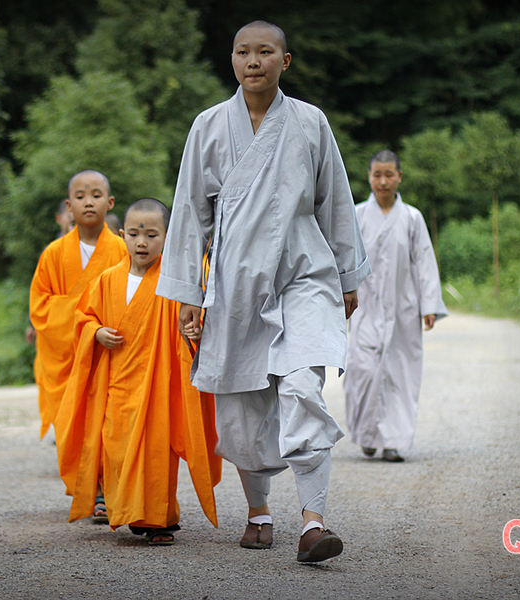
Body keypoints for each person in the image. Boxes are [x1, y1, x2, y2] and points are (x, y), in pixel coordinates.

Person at [156, 21, 370, 563]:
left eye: (265, 52)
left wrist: (346, 277)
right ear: (232, 61)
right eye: (243, 52)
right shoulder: (207, 126)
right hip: (233, 283)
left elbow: (335, 203)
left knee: (302, 386)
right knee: (242, 404)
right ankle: (259, 510)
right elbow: (187, 214)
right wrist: (188, 293)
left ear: (285, 60)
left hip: (304, 273)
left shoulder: (309, 122)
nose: (254, 61)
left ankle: (313, 522)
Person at [55, 198, 221, 545]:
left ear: (168, 237)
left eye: (151, 234)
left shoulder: (178, 283)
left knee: (157, 452)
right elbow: (84, 319)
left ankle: (160, 520)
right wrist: (96, 332)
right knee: (116, 449)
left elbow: (197, 319)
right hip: (117, 385)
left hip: (160, 385)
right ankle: (125, 511)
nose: (141, 242)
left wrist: (195, 331)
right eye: (133, 234)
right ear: (122, 235)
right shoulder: (106, 280)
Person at [343, 150, 447, 463]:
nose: (383, 181)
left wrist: (428, 304)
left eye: (389, 174)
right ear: (369, 177)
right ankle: (367, 435)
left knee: (400, 372)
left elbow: (424, 263)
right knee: (363, 370)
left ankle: (393, 441)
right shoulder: (357, 215)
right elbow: (345, 258)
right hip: (366, 307)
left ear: (400, 176)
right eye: (377, 175)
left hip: (403, 309)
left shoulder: (412, 218)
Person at [29, 173, 127, 432]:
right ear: (69, 207)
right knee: (74, 433)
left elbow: (137, 300)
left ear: (110, 202)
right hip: (68, 361)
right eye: (80, 196)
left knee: (110, 432)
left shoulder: (123, 250)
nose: (88, 202)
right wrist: (90, 327)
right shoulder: (52, 254)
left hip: (110, 356)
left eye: (96, 195)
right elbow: (40, 308)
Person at [26, 200, 76, 346]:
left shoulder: (91, 247)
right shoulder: (50, 252)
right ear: (59, 219)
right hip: (56, 324)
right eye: (70, 216)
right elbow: (39, 289)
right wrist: (32, 322)